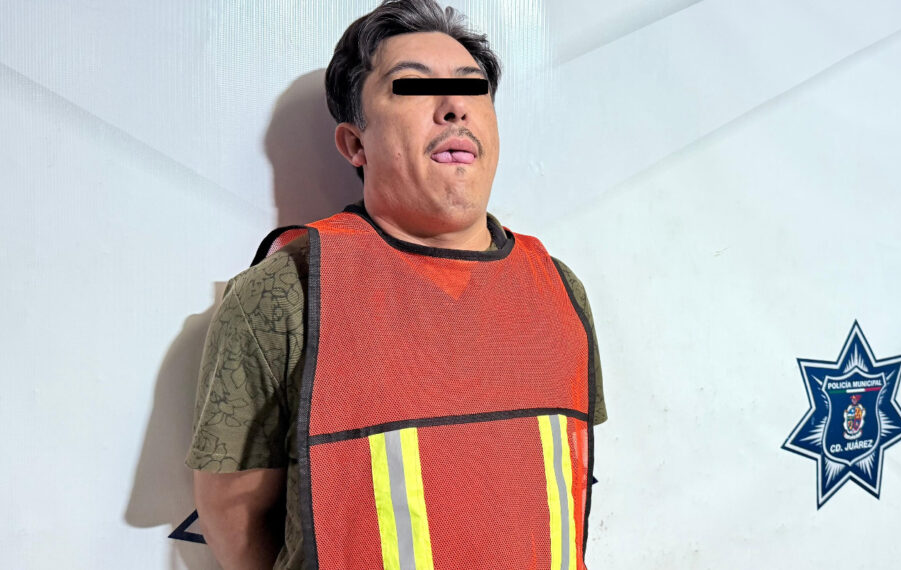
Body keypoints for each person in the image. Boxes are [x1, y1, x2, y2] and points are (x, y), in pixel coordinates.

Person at [185, 1, 607, 568]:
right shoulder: (287, 294)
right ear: (354, 144)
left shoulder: (559, 291)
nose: (454, 107)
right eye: (411, 86)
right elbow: (231, 511)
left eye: (473, 87)